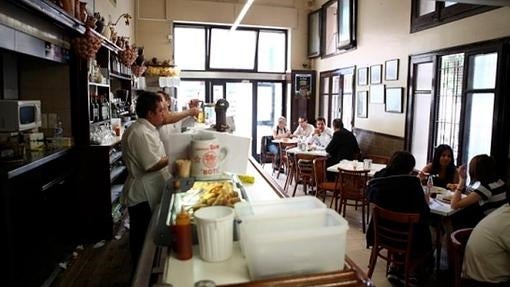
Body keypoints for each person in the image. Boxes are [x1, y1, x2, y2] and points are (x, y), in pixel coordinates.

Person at [121, 91, 197, 267]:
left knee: (150, 233)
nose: (165, 114)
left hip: (152, 188)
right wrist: (177, 155)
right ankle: (139, 274)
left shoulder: (149, 129)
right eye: (161, 110)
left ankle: (149, 265)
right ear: (150, 113)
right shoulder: (139, 133)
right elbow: (151, 164)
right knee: (141, 239)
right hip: (142, 194)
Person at [366, 151, 432, 286]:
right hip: (404, 238)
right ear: (410, 168)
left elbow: (369, 196)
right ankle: (410, 272)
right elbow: (425, 213)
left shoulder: (378, 178)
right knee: (425, 231)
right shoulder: (412, 184)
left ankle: (396, 267)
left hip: (380, 233)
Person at [462, 191, 510, 287]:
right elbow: (456, 205)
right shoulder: (506, 219)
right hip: (484, 282)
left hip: (477, 276)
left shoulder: (505, 209)